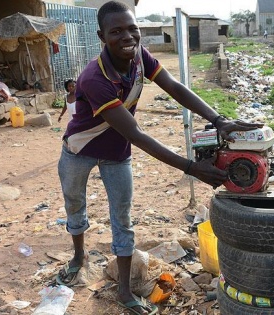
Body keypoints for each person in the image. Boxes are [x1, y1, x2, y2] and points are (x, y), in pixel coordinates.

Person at [55, 2, 262, 314]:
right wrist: (192, 168)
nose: (127, 36)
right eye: (116, 31)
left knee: (122, 221)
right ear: (102, 36)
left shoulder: (139, 56)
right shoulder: (94, 79)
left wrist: (218, 119)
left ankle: (125, 290)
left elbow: (174, 87)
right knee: (75, 206)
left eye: (132, 29)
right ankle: (78, 256)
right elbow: (136, 134)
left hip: (116, 155)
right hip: (78, 152)